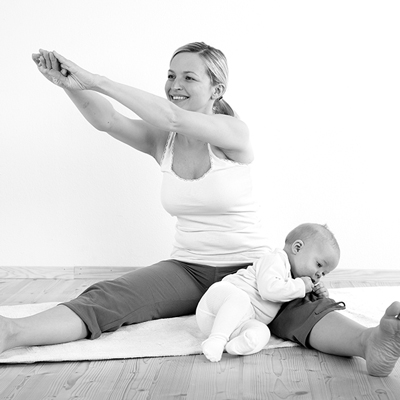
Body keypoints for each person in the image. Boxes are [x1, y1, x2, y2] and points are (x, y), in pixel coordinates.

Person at [0, 42, 398, 378]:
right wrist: (70, 86)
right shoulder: (164, 141)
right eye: (171, 75)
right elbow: (107, 119)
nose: (175, 85)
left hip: (251, 265)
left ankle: (369, 342)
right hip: (187, 267)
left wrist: (97, 79)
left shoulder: (234, 135)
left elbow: (173, 114)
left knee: (293, 308)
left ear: (217, 89)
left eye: (189, 77)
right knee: (112, 296)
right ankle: (12, 332)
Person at [196, 223, 340, 362]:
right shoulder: (276, 259)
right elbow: (269, 290)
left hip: (233, 324)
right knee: (240, 299)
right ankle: (216, 340)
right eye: (319, 265)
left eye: (324, 273)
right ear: (297, 247)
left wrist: (319, 295)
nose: (319, 275)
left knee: (263, 331)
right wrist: (301, 285)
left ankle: (238, 345)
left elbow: (294, 295)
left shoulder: (293, 281)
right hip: (218, 303)